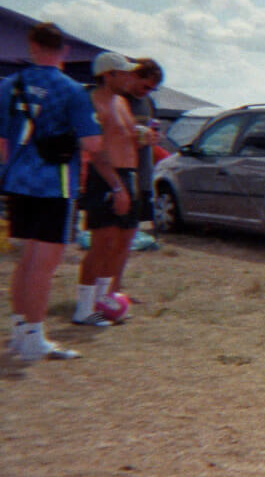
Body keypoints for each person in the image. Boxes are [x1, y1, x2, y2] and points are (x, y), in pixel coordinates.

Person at [1, 22, 105, 361]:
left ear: (32, 46)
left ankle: (20, 331)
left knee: (26, 260)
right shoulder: (72, 90)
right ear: (64, 50)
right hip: (54, 184)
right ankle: (34, 336)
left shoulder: (9, 84)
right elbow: (92, 143)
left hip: (18, 181)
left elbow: (2, 140)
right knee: (43, 265)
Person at [72, 52, 142, 326]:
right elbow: (97, 150)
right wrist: (115, 186)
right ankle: (84, 308)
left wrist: (144, 135)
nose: (128, 78)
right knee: (103, 242)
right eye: (123, 72)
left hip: (128, 173)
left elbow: (127, 135)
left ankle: (103, 302)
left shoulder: (121, 101)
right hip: (106, 177)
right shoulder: (94, 101)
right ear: (108, 74)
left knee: (122, 241)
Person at [110, 57, 162, 300]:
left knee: (127, 238)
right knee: (110, 238)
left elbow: (150, 131)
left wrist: (153, 136)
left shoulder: (147, 103)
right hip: (119, 174)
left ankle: (115, 288)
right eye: (145, 86)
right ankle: (101, 291)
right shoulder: (118, 100)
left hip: (141, 177)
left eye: (152, 89)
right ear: (134, 76)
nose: (147, 92)